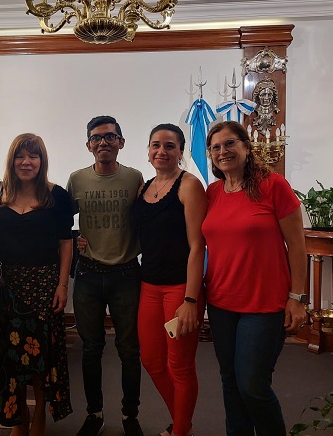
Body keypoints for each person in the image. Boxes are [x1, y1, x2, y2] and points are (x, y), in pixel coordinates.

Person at [202, 121, 307, 436]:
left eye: (229, 143)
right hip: (220, 302)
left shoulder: (273, 185)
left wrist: (297, 297)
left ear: (247, 147)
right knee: (230, 381)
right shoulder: (212, 192)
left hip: (263, 305)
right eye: (215, 147)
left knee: (252, 384)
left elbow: (297, 246)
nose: (223, 151)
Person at [0, 133, 73, 436]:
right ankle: (18, 418)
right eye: (20, 156)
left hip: (44, 285)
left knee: (41, 359)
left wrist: (62, 285)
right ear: (12, 160)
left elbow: (65, 242)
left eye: (33, 156)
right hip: (5, 287)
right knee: (11, 358)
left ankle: (40, 417)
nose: (26, 162)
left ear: (42, 161)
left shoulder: (57, 196)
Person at [67, 115, 144, 436]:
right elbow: (60, 222)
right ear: (88, 145)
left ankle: (130, 416)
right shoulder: (77, 180)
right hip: (88, 274)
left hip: (126, 274)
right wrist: (75, 239)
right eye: (96, 138)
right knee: (91, 349)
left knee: (129, 350)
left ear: (121, 142)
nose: (103, 142)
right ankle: (94, 413)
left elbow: (147, 217)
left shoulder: (135, 178)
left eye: (110, 137)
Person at [132, 124, 207, 436]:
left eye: (169, 146)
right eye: (155, 145)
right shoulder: (143, 188)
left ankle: (179, 430)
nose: (161, 151)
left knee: (180, 366)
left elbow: (197, 246)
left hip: (180, 289)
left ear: (180, 152)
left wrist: (191, 299)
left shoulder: (189, 186)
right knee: (152, 361)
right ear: (148, 151)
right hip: (149, 286)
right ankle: (182, 424)